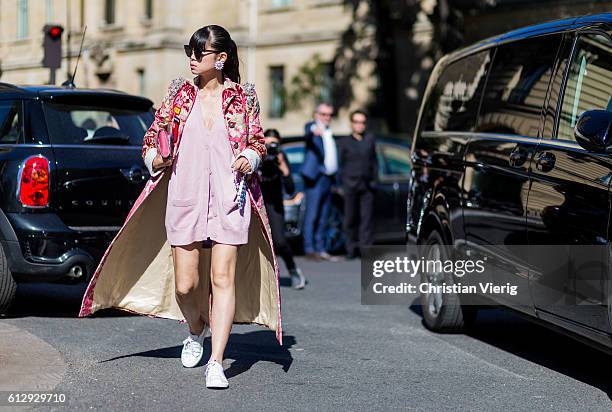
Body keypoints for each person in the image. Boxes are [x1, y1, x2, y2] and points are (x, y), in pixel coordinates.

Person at [78, 25, 283, 390]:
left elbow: (256, 141)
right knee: (187, 285)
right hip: (184, 196)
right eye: (188, 51)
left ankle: (217, 363)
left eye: (198, 52)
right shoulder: (177, 96)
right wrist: (155, 158)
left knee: (223, 279)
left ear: (220, 59)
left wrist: (250, 157)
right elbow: (150, 142)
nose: (191, 58)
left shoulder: (243, 97)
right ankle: (194, 329)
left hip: (229, 197)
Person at [260, 129, 307, 289]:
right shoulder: (257, 155)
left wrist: (283, 166)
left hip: (274, 203)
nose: (271, 147)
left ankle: (293, 270)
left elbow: (290, 189)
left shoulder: (280, 157)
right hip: (257, 203)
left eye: (274, 144)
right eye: (267, 143)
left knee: (279, 241)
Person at [300, 102, 340, 262]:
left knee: (324, 215)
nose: (326, 117)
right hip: (315, 178)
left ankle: (320, 248)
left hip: (328, 179)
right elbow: (308, 132)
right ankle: (309, 249)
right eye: (323, 114)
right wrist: (313, 130)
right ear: (316, 115)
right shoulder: (312, 128)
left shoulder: (329, 133)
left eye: (329, 115)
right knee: (312, 214)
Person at [336, 110, 377, 259]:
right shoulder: (344, 142)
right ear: (352, 124)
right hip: (350, 185)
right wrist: (340, 185)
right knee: (350, 219)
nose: (360, 125)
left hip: (367, 186)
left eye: (362, 122)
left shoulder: (370, 140)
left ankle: (366, 250)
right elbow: (340, 165)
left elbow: (374, 162)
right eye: (357, 122)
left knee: (366, 219)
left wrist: (374, 181)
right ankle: (351, 250)